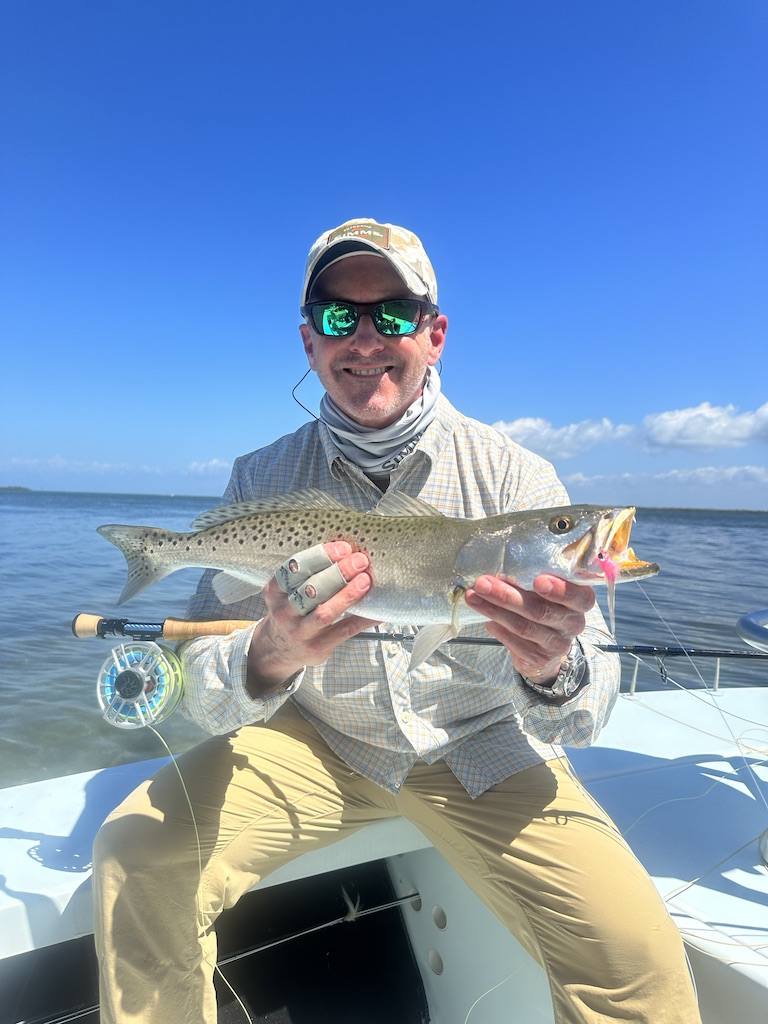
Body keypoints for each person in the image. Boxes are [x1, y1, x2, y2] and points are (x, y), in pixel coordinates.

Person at [93, 218, 701, 1023]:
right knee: (136, 855)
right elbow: (205, 698)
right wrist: (267, 657)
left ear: (436, 333)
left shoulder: (516, 475)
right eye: (340, 318)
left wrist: (554, 668)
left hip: (480, 747)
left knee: (636, 964)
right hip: (316, 741)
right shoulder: (260, 477)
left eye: (395, 313)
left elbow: (589, 709)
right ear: (310, 344)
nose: (367, 337)